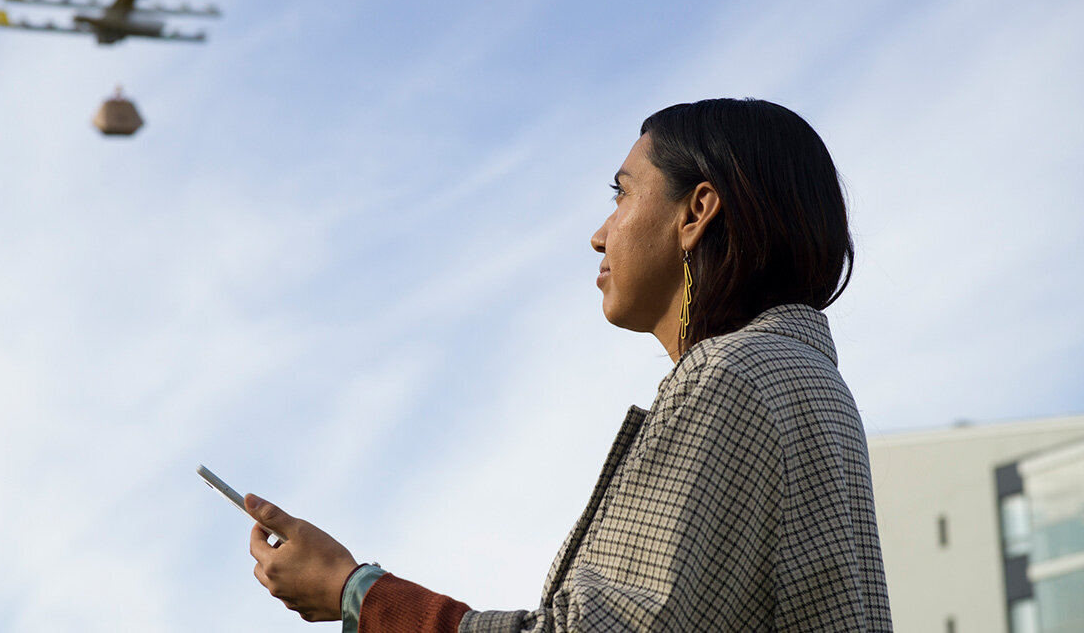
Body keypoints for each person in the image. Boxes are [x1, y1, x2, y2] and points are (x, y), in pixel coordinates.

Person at [242, 98, 893, 631]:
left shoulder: (732, 375)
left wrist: (354, 590)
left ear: (696, 211)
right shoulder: (806, 382)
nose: (600, 233)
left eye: (622, 193)